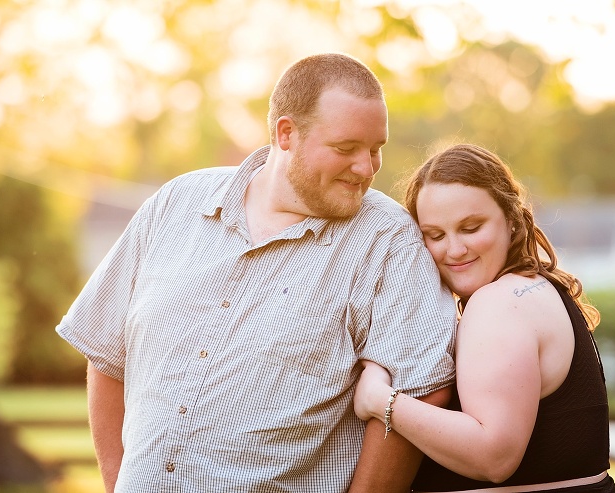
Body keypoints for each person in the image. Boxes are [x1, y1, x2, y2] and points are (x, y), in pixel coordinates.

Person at [56, 53, 458, 493]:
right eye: (346, 149)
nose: (366, 168)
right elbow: (107, 355)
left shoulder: (390, 242)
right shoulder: (175, 204)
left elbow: (420, 388)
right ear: (287, 133)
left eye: (375, 149)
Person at [353, 143, 615, 492]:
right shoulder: (536, 287)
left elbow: (494, 457)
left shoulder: (498, 304)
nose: (454, 249)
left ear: (510, 219)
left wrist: (381, 400)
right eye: (435, 235)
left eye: (471, 227)